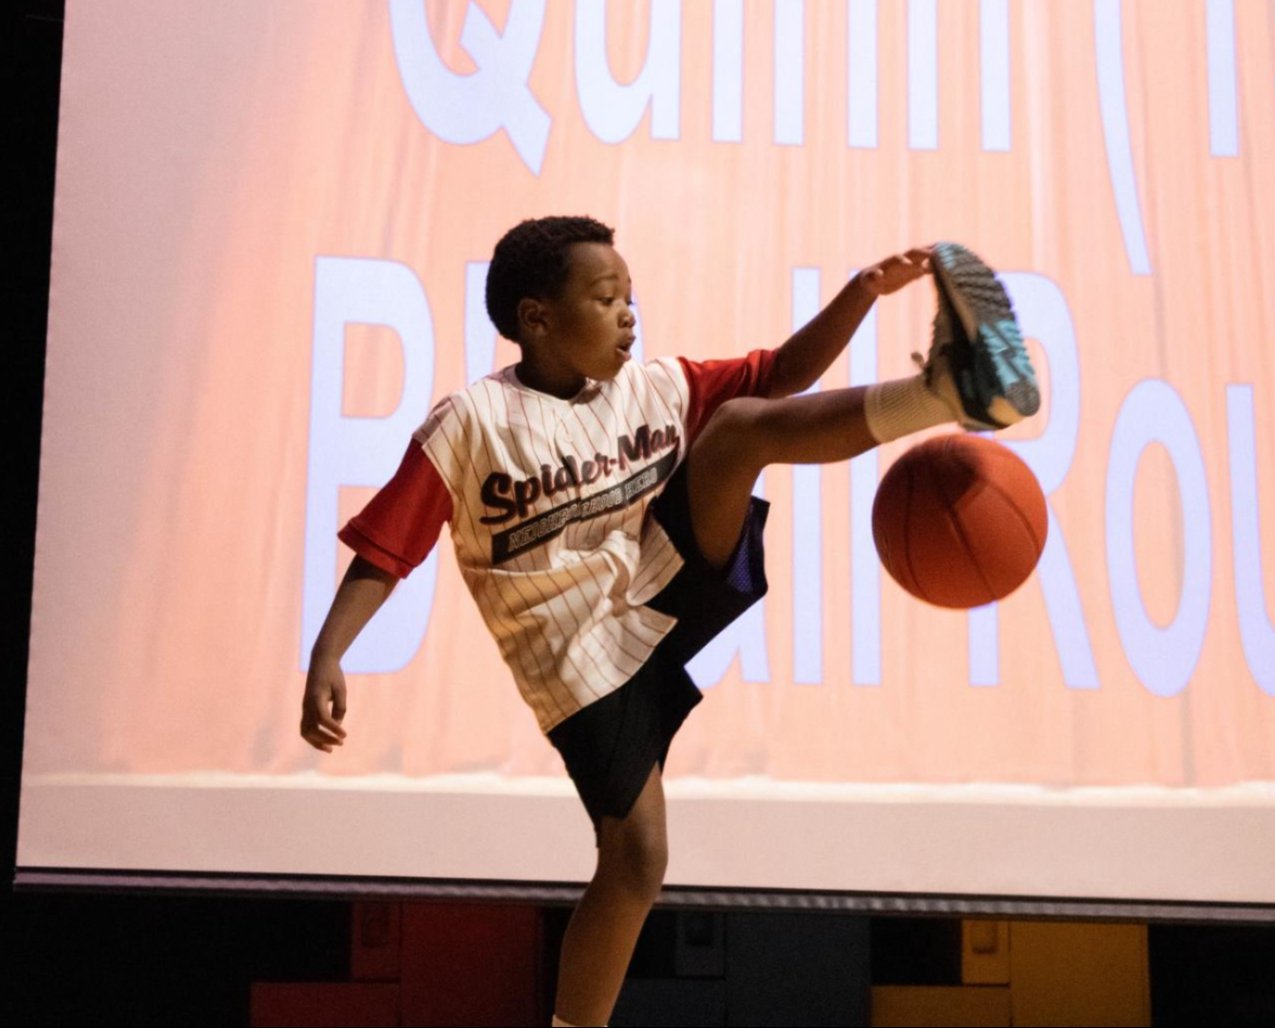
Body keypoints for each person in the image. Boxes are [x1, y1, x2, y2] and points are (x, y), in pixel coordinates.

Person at [299, 215, 1036, 1027]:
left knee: (739, 430)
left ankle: (942, 392)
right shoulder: (469, 424)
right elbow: (385, 550)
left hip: (664, 587)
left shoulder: (652, 389)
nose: (627, 313)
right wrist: (330, 652)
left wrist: (861, 292)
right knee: (637, 861)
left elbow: (784, 371)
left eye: (630, 297)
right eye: (605, 296)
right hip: (575, 662)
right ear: (536, 318)